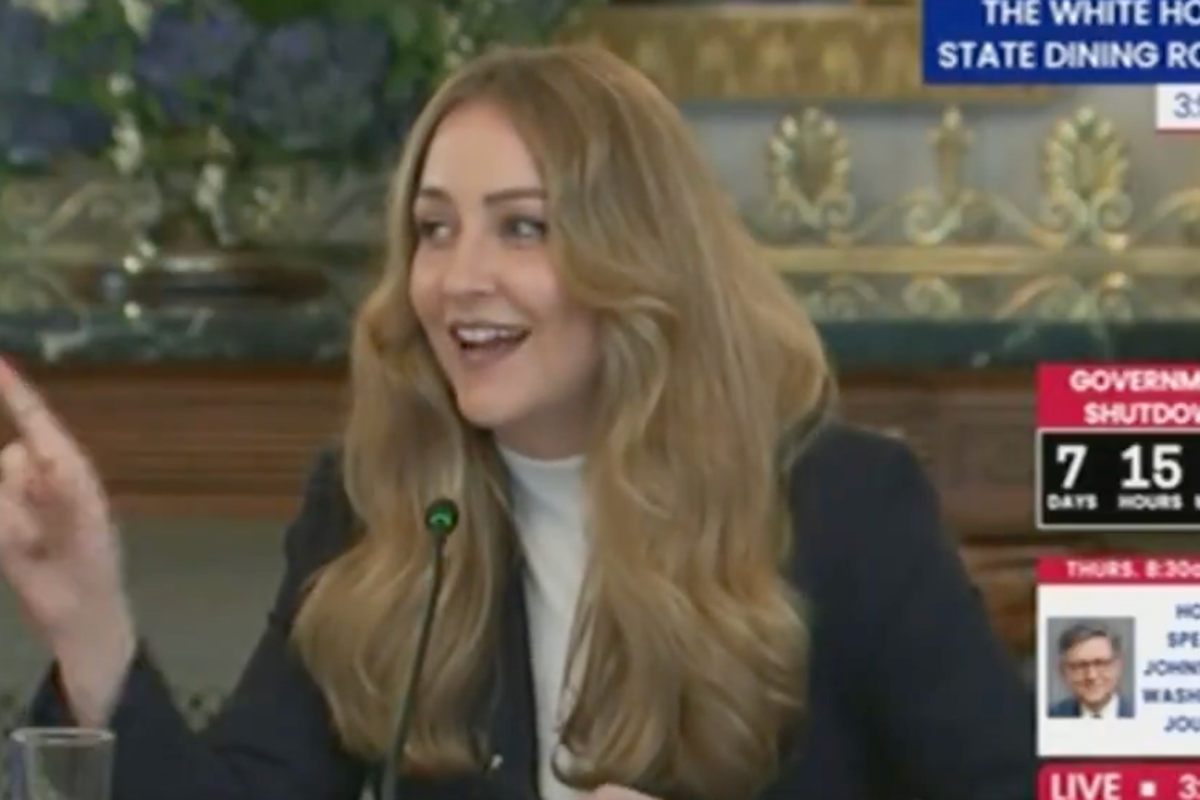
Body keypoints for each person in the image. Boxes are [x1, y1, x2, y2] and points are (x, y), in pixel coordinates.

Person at [0, 45, 1034, 800]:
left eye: (523, 227)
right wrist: (89, 621)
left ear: (637, 258)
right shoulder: (379, 506)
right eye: (434, 229)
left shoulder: (842, 504)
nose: (459, 279)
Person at [1048, 622, 1134, 719]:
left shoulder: (1144, 715)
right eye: (1080, 666)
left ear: (1118, 666)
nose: (1091, 676)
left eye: (1100, 663)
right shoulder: (1049, 716)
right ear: (1063, 671)